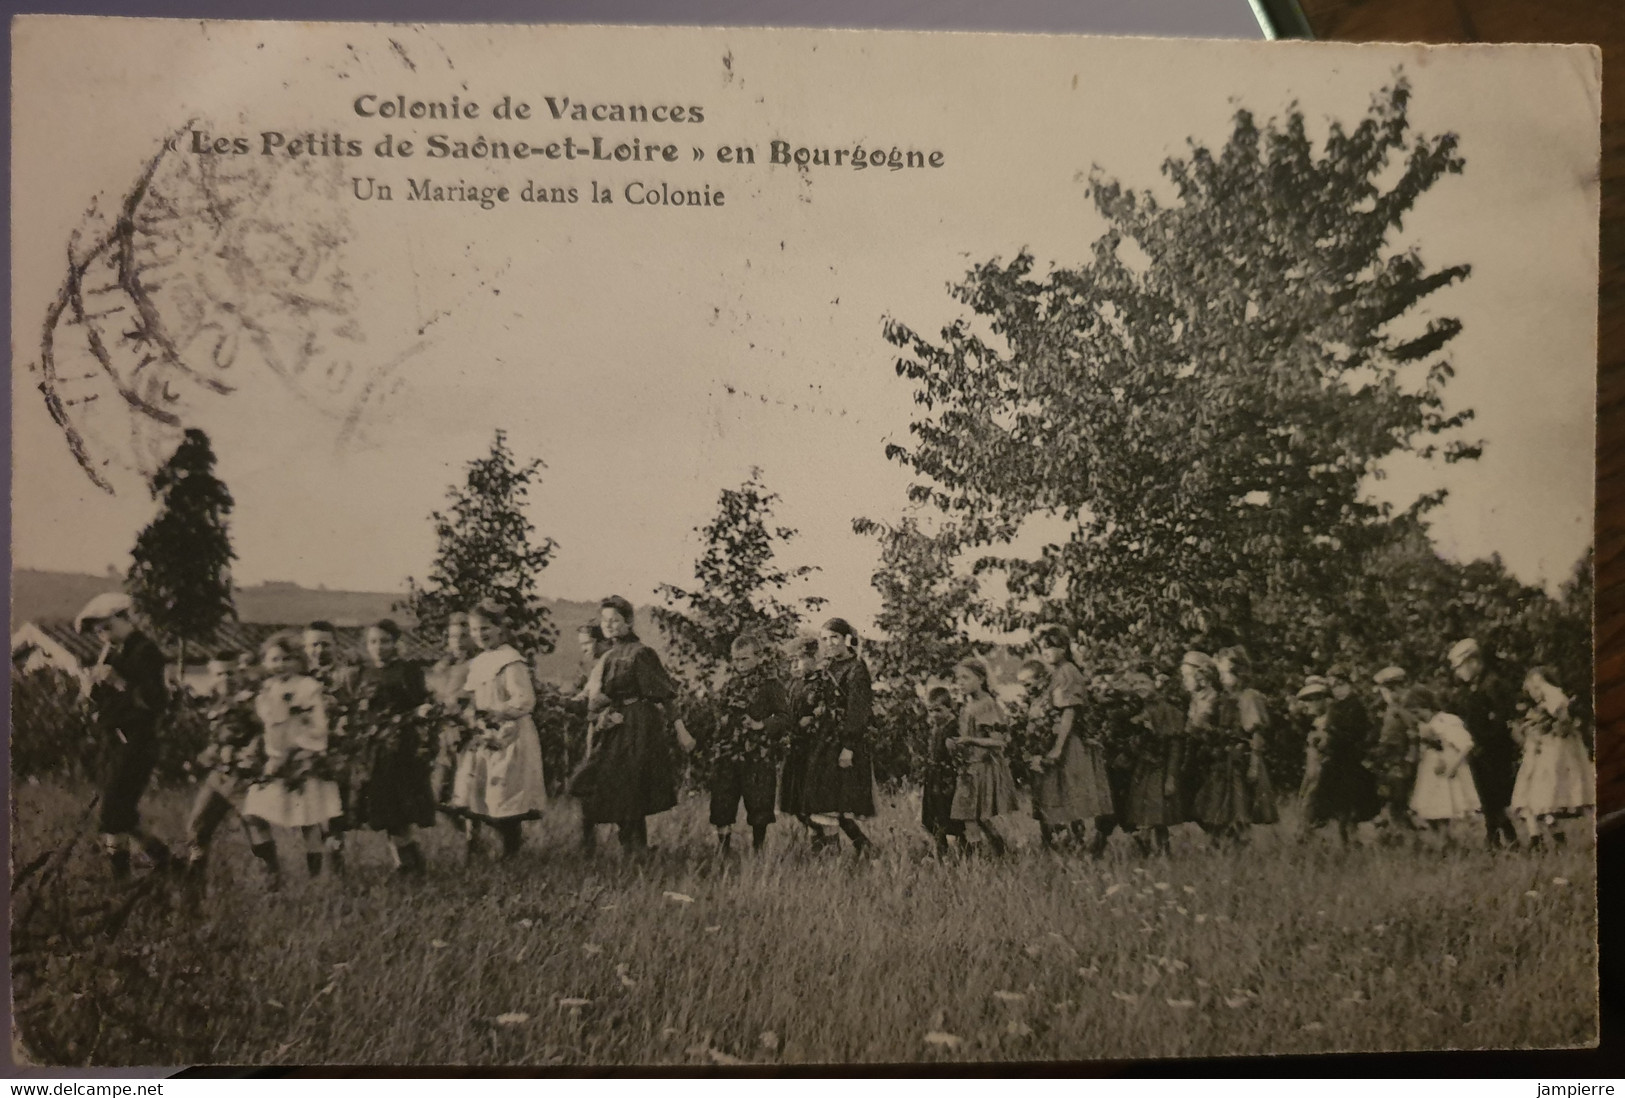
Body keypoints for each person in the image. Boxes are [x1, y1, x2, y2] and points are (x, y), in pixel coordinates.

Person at [571, 596, 689, 855]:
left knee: (631, 785)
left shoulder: (641, 653)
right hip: (614, 724)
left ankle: (636, 848)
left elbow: (666, 695)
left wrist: (681, 731)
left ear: (629, 622)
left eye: (615, 620)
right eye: (605, 621)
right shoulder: (611, 655)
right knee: (599, 780)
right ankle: (620, 844)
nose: (609, 626)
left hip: (638, 726)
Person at [74, 593, 173, 881]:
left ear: (124, 618)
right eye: (97, 631)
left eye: (105, 627)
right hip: (115, 742)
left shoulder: (146, 652)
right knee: (120, 811)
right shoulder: (116, 653)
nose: (102, 635)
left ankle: (122, 879)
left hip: (136, 742)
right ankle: (164, 860)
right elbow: (109, 702)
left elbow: (155, 701)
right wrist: (91, 691)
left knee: (113, 813)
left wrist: (118, 682)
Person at [242, 633, 344, 889]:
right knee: (254, 813)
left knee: (308, 819)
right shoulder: (267, 689)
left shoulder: (309, 687)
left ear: (298, 660)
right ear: (266, 662)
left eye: (287, 659)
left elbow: (317, 727)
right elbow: (267, 723)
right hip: (275, 759)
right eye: (275, 659)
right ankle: (271, 871)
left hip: (302, 759)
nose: (281, 665)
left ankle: (315, 876)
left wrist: (295, 751)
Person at [449, 601, 547, 860]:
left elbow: (525, 699)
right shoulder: (480, 661)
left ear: (499, 629)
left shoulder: (510, 660)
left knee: (505, 795)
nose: (480, 635)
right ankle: (477, 847)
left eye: (486, 628)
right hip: (485, 734)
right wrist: (471, 716)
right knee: (477, 792)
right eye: (475, 630)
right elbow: (474, 698)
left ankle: (511, 852)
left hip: (510, 734)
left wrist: (498, 712)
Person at [352, 620, 437, 875]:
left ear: (396, 643)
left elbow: (422, 705)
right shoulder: (363, 673)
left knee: (399, 809)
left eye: (385, 641)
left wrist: (414, 717)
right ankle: (404, 863)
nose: (379, 647)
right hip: (374, 750)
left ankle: (411, 865)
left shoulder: (407, 671)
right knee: (385, 808)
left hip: (401, 748)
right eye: (373, 642)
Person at [181, 652, 259, 896]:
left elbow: (262, 732)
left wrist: (250, 753)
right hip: (217, 776)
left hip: (242, 776)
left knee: (255, 827)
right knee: (198, 825)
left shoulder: (251, 701)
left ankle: (272, 880)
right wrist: (200, 761)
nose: (226, 678)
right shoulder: (212, 701)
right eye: (219, 673)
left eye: (231, 672)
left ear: (240, 673)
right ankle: (195, 883)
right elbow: (214, 740)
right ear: (211, 676)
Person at [1029, 626, 1112, 854]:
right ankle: (1069, 844)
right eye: (1043, 648)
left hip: (1067, 742)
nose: (1046, 652)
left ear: (1064, 648)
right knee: (1060, 794)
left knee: (1068, 794)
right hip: (1060, 739)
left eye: (1052, 647)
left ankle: (1077, 845)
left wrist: (1057, 747)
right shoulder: (1058, 673)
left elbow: (1069, 713)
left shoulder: (1067, 672)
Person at [706, 634, 790, 855]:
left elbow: (784, 717)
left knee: (759, 804)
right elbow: (717, 714)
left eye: (744, 659)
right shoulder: (728, 684)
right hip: (727, 753)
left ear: (758, 657)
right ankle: (723, 852)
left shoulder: (771, 685)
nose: (740, 664)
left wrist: (761, 724)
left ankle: (758, 851)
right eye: (736, 659)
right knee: (722, 803)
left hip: (757, 755)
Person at [800, 618, 878, 855]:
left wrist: (849, 747)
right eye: (824, 639)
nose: (829, 643)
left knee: (832, 805)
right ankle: (861, 847)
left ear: (846, 638)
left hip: (843, 744)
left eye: (834, 637)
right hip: (823, 742)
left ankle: (834, 860)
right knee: (822, 802)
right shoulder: (827, 668)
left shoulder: (856, 669)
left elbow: (858, 711)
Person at [1190, 647, 1277, 843]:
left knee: (1239, 807)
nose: (1221, 678)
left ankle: (1239, 843)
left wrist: (1255, 763)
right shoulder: (1222, 698)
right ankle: (1221, 843)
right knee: (1216, 806)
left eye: (1225, 673)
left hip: (1241, 759)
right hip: (1222, 758)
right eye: (1219, 673)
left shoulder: (1249, 697)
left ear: (1239, 672)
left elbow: (1256, 733)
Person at [1508, 667, 1595, 849]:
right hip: (1537, 751)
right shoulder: (1533, 709)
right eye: (1532, 688)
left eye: (1538, 687)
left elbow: (1562, 717)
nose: (1535, 691)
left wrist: (1554, 724)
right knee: (1530, 797)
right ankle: (1541, 837)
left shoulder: (1554, 700)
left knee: (1544, 797)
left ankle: (1550, 837)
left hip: (1551, 751)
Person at [1446, 638, 1520, 849]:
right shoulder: (1474, 686)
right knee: (1486, 795)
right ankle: (1500, 836)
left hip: (1492, 748)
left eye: (1461, 667)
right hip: (1479, 749)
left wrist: (1483, 741)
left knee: (1493, 793)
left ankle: (1498, 837)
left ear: (1474, 662)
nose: (1459, 672)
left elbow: (1500, 719)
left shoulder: (1492, 683)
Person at [303, 621, 360, 873]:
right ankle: (315, 872)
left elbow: (357, 710)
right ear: (305, 648)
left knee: (335, 813)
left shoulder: (347, 676)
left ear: (336, 646)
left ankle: (337, 869)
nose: (319, 650)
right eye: (313, 644)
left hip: (338, 752)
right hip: (307, 753)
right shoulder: (300, 679)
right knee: (308, 813)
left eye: (325, 644)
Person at [1301, 669, 1381, 843]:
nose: (1338, 690)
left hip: (1350, 761)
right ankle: (1341, 840)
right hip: (1336, 761)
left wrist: (1332, 737)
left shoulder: (1356, 706)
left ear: (1349, 684)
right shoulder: (1335, 707)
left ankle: (1355, 839)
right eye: (1333, 687)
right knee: (1334, 806)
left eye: (1340, 685)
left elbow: (1357, 734)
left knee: (1351, 806)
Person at [947, 658, 1016, 856]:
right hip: (969, 767)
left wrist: (970, 740)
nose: (960, 682)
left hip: (981, 767)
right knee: (973, 815)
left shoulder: (986, 704)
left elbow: (999, 741)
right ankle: (991, 853)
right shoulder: (969, 704)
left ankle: (989, 852)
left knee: (975, 815)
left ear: (981, 678)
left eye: (966, 678)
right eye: (958, 678)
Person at [1407, 685, 1481, 846]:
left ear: (1426, 706)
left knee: (1442, 809)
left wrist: (1452, 766)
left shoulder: (1446, 721)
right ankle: (1445, 841)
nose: (1416, 717)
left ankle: (1446, 842)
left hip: (1447, 770)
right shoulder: (1425, 725)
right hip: (1430, 770)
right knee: (1429, 809)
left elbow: (1466, 745)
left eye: (1417, 712)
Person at [1123, 669, 1184, 856]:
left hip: (1160, 768)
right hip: (1142, 768)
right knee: (1144, 813)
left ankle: (1163, 854)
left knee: (1157, 815)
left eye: (1143, 682)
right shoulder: (1137, 708)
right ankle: (1148, 853)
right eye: (1133, 684)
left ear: (1155, 682)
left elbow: (1175, 746)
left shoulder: (1168, 710)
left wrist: (1171, 777)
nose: (1138, 687)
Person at [425, 612, 477, 808]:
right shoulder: (441, 667)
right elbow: (433, 694)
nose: (459, 642)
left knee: (466, 792)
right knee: (437, 793)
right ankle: (467, 833)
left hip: (468, 734)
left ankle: (474, 835)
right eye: (454, 637)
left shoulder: (477, 665)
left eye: (464, 636)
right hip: (443, 735)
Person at [779, 637, 825, 841]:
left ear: (813, 658)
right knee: (794, 802)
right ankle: (817, 834)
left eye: (798, 659)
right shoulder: (793, 685)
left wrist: (815, 716)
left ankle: (858, 846)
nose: (794, 665)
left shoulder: (824, 684)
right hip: (796, 748)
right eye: (791, 661)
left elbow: (827, 711)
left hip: (815, 750)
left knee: (816, 803)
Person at [1369, 665, 1418, 841]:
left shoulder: (1401, 711)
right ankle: (1394, 834)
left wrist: (1410, 757)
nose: (1388, 695)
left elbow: (1413, 734)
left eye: (1390, 690)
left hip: (1399, 761)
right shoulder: (1389, 711)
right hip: (1388, 760)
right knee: (1389, 799)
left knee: (1397, 801)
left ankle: (1408, 838)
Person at [920, 685, 966, 857]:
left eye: (938, 710)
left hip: (948, 778)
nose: (933, 715)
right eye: (930, 711)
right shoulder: (935, 726)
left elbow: (958, 755)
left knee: (951, 817)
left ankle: (963, 853)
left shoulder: (954, 727)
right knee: (934, 816)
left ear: (949, 708)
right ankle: (941, 853)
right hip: (934, 777)